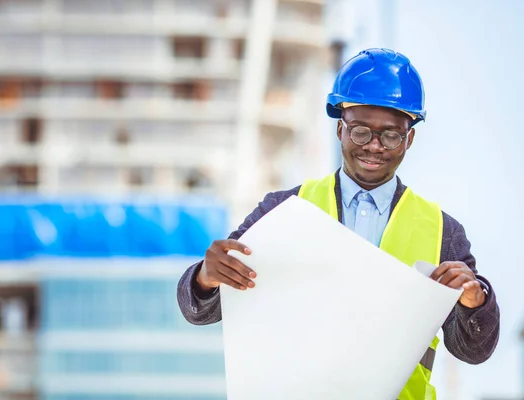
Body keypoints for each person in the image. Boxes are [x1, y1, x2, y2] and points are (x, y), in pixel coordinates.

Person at [176, 48, 500, 399]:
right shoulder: (284, 210)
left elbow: (473, 350)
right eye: (361, 132)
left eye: (390, 135)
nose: (374, 147)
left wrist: (475, 302)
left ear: (409, 139)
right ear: (340, 130)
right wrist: (206, 277)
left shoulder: (443, 232)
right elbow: (201, 310)